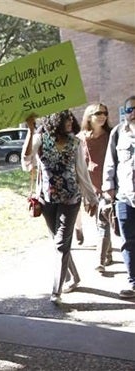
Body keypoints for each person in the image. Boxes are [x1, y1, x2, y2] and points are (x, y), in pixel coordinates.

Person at [22, 110, 98, 304]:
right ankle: (75, 277)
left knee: (60, 244)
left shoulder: (75, 143)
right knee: (59, 243)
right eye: (66, 118)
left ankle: (56, 290)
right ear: (55, 120)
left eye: (71, 118)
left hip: (71, 199)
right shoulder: (40, 138)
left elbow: (82, 172)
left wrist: (91, 198)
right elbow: (26, 161)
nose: (70, 121)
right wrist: (30, 132)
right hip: (47, 200)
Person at [102, 95, 135, 298]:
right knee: (128, 240)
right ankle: (133, 283)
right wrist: (108, 189)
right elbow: (110, 163)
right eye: (128, 110)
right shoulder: (117, 133)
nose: (132, 113)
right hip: (125, 197)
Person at [76, 103, 114, 272]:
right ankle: (108, 252)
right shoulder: (79, 139)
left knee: (103, 222)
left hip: (109, 185)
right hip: (90, 187)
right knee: (101, 220)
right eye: (98, 113)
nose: (102, 116)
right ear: (89, 117)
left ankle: (101, 260)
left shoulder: (112, 135)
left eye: (104, 113)